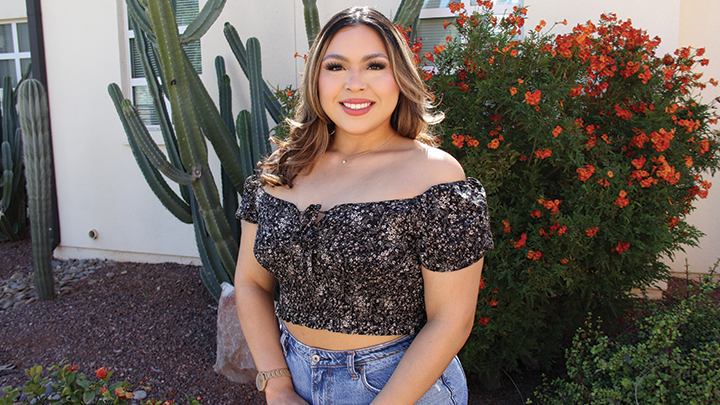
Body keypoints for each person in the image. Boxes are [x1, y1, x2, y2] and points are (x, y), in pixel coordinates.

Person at [234, 6, 493, 405]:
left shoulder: (435, 176)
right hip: (294, 377)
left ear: (399, 77)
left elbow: (451, 321)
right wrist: (277, 384)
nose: (355, 84)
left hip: (399, 387)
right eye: (336, 67)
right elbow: (250, 284)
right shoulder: (281, 170)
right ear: (316, 79)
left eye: (374, 66)